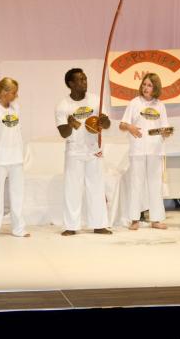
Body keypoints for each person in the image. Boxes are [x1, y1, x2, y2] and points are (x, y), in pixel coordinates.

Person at [55, 68, 112, 235]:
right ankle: (71, 226)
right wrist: (69, 124)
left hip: (94, 150)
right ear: (71, 84)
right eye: (80, 80)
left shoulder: (95, 100)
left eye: (85, 79)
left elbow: (106, 125)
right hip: (74, 151)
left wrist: (104, 121)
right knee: (72, 189)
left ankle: (99, 224)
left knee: (96, 188)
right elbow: (63, 133)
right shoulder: (63, 105)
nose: (84, 82)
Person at [120, 73, 171, 230]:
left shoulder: (160, 105)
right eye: (144, 84)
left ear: (155, 88)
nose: (145, 88)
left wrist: (166, 132)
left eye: (149, 85)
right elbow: (122, 125)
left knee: (155, 185)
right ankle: (134, 219)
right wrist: (130, 127)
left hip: (155, 150)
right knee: (136, 184)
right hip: (137, 150)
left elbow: (165, 128)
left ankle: (156, 219)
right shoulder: (134, 103)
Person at [0, 77, 29, 239]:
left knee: (17, 194)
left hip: (16, 158)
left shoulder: (16, 107)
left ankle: (19, 228)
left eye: (16, 92)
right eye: (13, 93)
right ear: (3, 92)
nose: (16, 96)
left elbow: (16, 131)